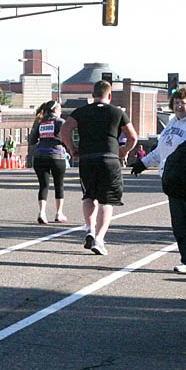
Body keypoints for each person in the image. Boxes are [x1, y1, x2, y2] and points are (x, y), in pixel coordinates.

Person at [61, 80, 138, 255]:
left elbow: (65, 130)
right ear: (109, 95)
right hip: (110, 158)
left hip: (87, 158)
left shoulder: (81, 112)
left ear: (92, 95)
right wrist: (124, 150)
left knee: (89, 196)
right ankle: (99, 239)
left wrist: (72, 148)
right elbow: (133, 137)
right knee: (107, 201)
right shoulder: (117, 112)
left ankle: (90, 229)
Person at [131, 88, 186, 275]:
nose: (178, 106)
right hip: (171, 180)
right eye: (176, 102)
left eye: (182, 103)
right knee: (178, 224)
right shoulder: (171, 122)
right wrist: (143, 163)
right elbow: (161, 150)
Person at [29, 100, 68, 224]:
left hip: (40, 155)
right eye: (60, 109)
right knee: (59, 184)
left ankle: (42, 213)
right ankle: (59, 213)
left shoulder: (40, 122)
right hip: (56, 155)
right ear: (55, 110)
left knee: (43, 185)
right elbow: (67, 139)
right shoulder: (60, 122)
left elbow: (32, 141)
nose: (61, 112)